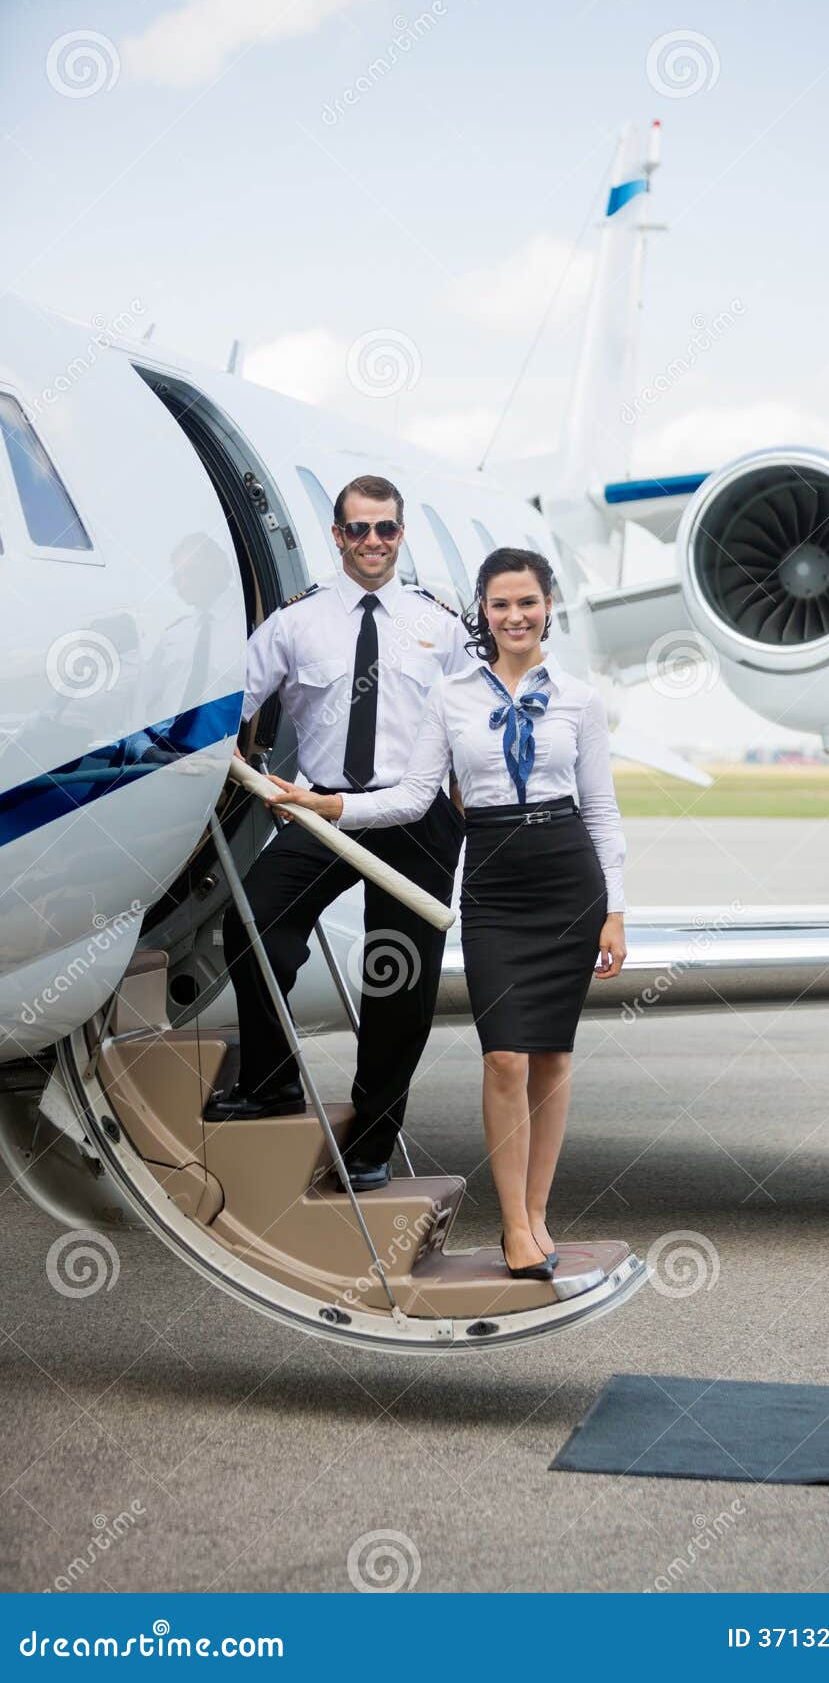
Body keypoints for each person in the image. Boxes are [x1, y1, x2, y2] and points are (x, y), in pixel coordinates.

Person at [265, 547, 627, 1280]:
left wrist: (613, 910)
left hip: (567, 877)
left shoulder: (581, 702)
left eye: (526, 603)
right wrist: (323, 803)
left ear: (547, 607)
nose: (514, 616)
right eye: (500, 605)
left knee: (551, 1059)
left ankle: (537, 1215)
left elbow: (601, 810)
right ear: (482, 614)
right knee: (503, 1058)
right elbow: (410, 796)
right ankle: (512, 1227)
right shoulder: (451, 695)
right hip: (493, 880)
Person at [206, 474, 468, 1193]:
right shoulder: (298, 622)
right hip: (322, 809)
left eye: (385, 529)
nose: (373, 542)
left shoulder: (437, 625)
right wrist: (218, 751)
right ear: (336, 535)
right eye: (359, 529)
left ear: (400, 533)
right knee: (255, 921)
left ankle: (371, 1143)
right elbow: (233, 700)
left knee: (397, 984)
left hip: (416, 820)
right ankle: (271, 1082)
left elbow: (475, 721)